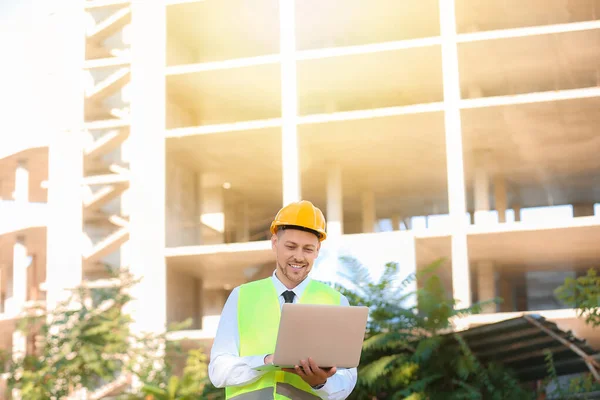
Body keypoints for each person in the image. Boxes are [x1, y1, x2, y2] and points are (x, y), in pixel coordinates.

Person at [208, 200, 358, 399]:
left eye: (308, 249)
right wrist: (267, 361)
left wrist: (320, 382)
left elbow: (345, 383)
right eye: (291, 246)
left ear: (317, 251)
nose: (298, 256)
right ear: (274, 243)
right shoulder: (241, 296)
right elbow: (218, 371)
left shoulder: (337, 302)